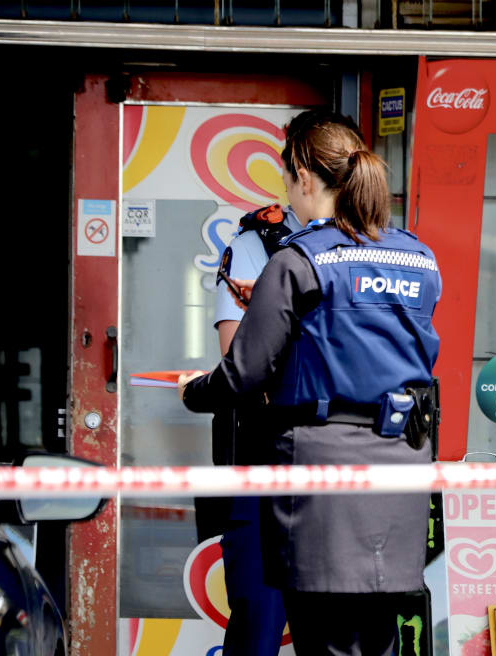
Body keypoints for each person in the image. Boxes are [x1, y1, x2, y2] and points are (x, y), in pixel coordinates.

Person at [178, 108, 440, 656]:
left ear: (303, 178)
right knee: (377, 641)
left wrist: (193, 390)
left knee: (324, 641)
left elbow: (245, 374)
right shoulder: (420, 257)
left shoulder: (301, 260)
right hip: (402, 474)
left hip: (322, 482)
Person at [200, 200, 302, 655]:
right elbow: (240, 366)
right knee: (258, 625)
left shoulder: (372, 248)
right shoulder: (255, 244)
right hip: (266, 459)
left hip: (346, 470)